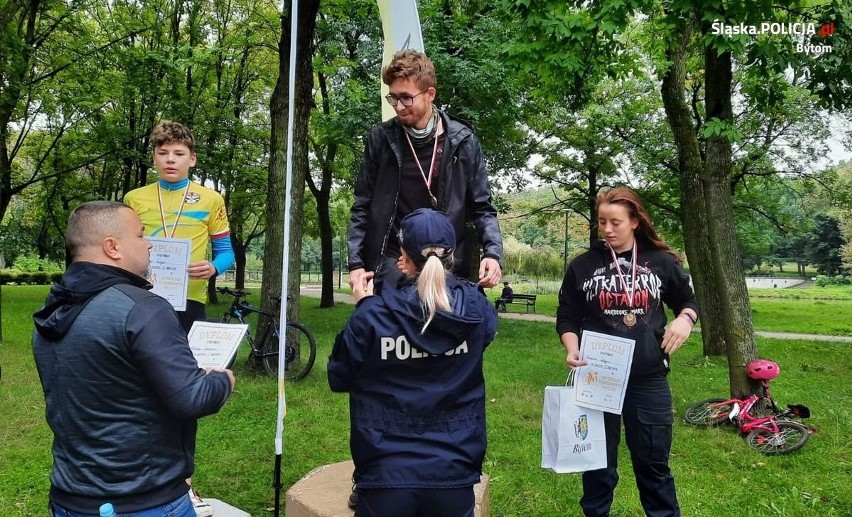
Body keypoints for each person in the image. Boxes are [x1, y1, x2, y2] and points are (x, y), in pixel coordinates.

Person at [32, 201, 235, 517]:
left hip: (70, 499)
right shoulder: (143, 309)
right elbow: (194, 397)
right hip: (144, 501)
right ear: (112, 247)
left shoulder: (52, 310)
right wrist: (223, 379)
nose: (149, 243)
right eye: (140, 235)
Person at [329, 208, 498, 517]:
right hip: (454, 471)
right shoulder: (476, 309)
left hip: (386, 475)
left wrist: (364, 309)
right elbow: (483, 334)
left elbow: (339, 377)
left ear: (403, 257)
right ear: (452, 254)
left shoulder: (373, 315)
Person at [556, 187, 699, 517]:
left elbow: (688, 300)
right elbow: (567, 315)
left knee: (653, 467)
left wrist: (685, 320)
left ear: (635, 221)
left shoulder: (661, 262)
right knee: (597, 468)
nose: (607, 229)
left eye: (616, 222)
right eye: (602, 221)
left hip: (647, 380)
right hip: (597, 378)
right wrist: (572, 347)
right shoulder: (583, 265)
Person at [347, 49, 503, 294]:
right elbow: (362, 205)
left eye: (406, 98)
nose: (398, 106)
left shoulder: (463, 141)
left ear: (430, 94)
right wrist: (355, 263)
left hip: (444, 264)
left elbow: (482, 207)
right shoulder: (381, 139)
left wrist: (493, 254)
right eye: (393, 98)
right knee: (390, 329)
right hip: (393, 262)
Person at [124, 120, 234, 333]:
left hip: (190, 297)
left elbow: (226, 253)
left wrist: (213, 267)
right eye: (163, 153)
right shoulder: (133, 199)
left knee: (185, 364)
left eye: (179, 153)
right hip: (142, 293)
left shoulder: (211, 199)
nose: (170, 159)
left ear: (192, 159)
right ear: (153, 158)